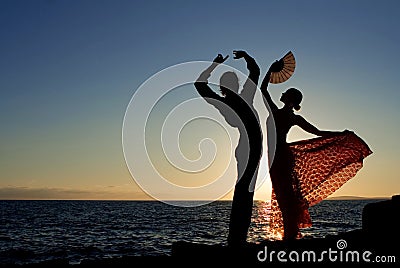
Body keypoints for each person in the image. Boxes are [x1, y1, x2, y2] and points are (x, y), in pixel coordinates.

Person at [260, 59, 373, 241]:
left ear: (289, 98)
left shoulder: (279, 113)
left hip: (279, 157)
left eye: (286, 92)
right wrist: (271, 70)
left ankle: (290, 234)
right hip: (279, 156)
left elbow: (263, 89)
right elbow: (318, 132)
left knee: (285, 196)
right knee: (286, 195)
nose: (283, 93)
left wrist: (269, 71)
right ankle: (290, 233)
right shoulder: (287, 115)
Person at [194, 51, 263, 246]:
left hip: (248, 147)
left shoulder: (225, 102)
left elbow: (199, 85)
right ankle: (237, 238)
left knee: (243, 191)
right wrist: (247, 57)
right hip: (251, 147)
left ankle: (237, 237)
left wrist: (214, 65)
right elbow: (255, 71)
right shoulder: (242, 98)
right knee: (245, 192)